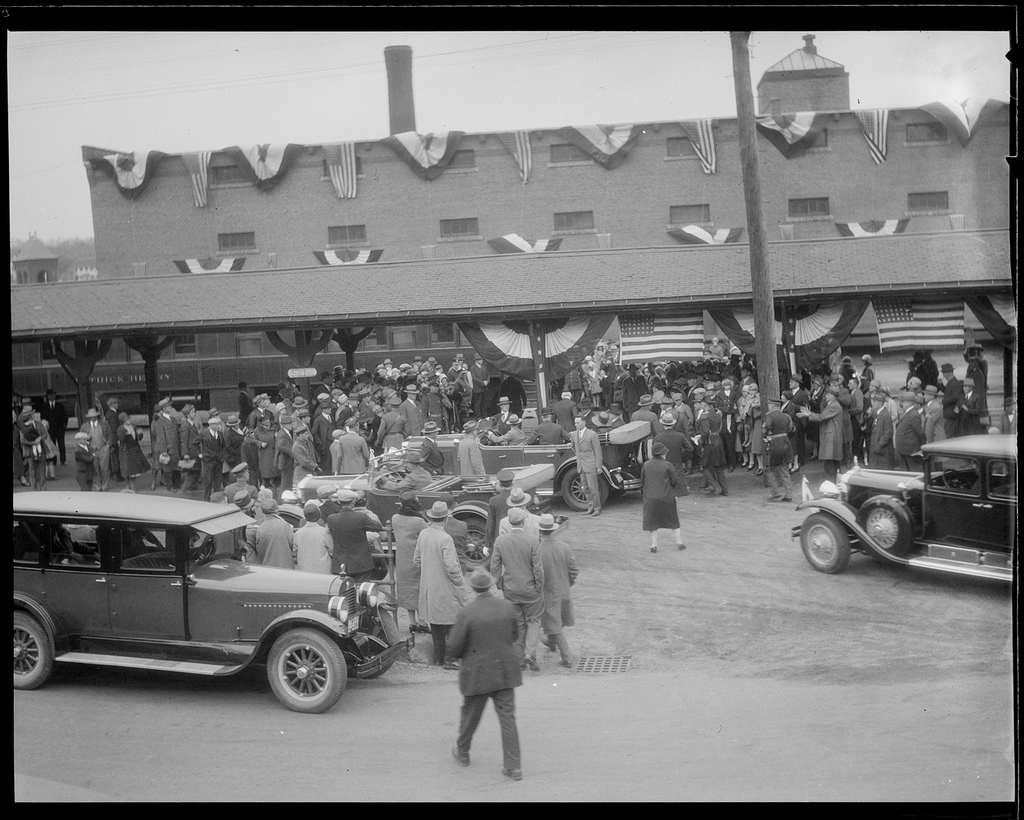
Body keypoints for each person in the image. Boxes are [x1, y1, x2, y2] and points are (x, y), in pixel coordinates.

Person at [446, 567, 524, 781]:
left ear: (472, 588)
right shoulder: (507, 607)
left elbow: (453, 646)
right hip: (505, 671)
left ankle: (462, 752)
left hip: (477, 672)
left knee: (471, 715)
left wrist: (456, 657)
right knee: (508, 718)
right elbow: (515, 634)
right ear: (491, 586)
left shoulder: (467, 612)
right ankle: (513, 766)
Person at [490, 506, 544, 672]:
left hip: (510, 589)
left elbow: (494, 567)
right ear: (523, 521)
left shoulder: (500, 541)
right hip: (531, 589)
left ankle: (519, 658)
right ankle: (530, 654)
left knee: (518, 623)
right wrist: (539, 586)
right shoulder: (532, 541)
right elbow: (538, 568)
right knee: (534, 621)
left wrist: (499, 583)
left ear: (510, 522)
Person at [412, 500, 466, 666]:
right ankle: (450, 659)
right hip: (445, 587)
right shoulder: (445, 538)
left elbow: (416, 560)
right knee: (451, 624)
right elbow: (451, 567)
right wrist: (460, 582)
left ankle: (437, 658)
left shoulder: (424, 534)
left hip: (429, 586)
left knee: (435, 625)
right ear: (446, 519)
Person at [534, 513, 579, 669]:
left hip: (548, 593)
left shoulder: (538, 550)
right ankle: (551, 644)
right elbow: (574, 570)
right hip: (564, 590)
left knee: (555, 625)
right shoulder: (564, 547)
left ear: (540, 531)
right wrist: (568, 583)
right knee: (556, 621)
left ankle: (566, 658)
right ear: (553, 530)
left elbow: (537, 575)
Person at [327, 488, 383, 582]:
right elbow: (378, 527)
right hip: (361, 562)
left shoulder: (331, 519)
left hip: (340, 562)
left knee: (344, 591)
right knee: (362, 590)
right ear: (353, 502)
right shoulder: (361, 517)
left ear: (339, 502)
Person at [392, 490, 429, 631]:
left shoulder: (395, 518)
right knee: (420, 589)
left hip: (401, 559)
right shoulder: (419, 521)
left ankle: (412, 623)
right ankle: (423, 622)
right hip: (417, 559)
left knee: (406, 589)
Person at [640, 440, 685, 553]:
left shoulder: (646, 465)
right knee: (673, 521)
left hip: (650, 499)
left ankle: (654, 545)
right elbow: (675, 480)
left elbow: (642, 481)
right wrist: (670, 489)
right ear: (662, 453)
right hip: (666, 497)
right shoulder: (668, 464)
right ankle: (679, 542)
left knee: (652, 523)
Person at [799, 383, 844, 482]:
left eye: (827, 394)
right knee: (833, 463)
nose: (825, 396)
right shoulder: (832, 404)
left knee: (829, 464)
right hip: (831, 437)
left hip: (831, 438)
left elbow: (821, 417)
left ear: (833, 395)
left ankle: (832, 485)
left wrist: (808, 414)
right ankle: (836, 484)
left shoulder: (834, 405)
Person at [694, 396, 729, 496]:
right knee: (718, 467)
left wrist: (699, 440)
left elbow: (705, 432)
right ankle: (724, 490)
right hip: (718, 441)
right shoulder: (717, 415)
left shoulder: (705, 416)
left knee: (704, 466)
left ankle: (715, 487)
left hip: (709, 443)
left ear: (704, 405)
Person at [763, 396, 794, 502]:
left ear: (771, 406)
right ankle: (788, 495)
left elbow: (767, 426)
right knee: (784, 469)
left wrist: (765, 435)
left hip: (775, 444)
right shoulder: (786, 416)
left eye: (769, 405)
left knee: (769, 469)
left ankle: (775, 493)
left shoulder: (770, 415)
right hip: (786, 442)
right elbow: (791, 428)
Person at [571, 415, 603, 516]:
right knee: (585, 488)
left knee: (593, 488)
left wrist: (598, 466)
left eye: (578, 423)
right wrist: (579, 456)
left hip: (590, 464)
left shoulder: (592, 434)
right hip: (581, 465)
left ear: (584, 423)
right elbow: (573, 447)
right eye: (575, 423)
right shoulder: (573, 434)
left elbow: (598, 451)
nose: (576, 425)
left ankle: (597, 508)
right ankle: (590, 506)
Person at [653, 411, 692, 492]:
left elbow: (654, 452)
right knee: (678, 491)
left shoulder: (658, 437)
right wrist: (681, 456)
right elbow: (690, 448)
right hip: (677, 465)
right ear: (673, 424)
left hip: (662, 466)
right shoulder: (680, 436)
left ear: (662, 424)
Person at [253, 498, 295, 568]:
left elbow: (258, 549)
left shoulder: (260, 529)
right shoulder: (284, 525)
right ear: (276, 509)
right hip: (286, 568)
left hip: (268, 569)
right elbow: (292, 544)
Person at [294, 501, 334, 574]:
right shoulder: (324, 532)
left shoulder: (298, 534)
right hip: (323, 570)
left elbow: (295, 552)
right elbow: (331, 551)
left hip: (304, 570)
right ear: (319, 515)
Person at [150, 398, 181, 491]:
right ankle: (169, 487)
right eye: (168, 406)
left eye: (170, 406)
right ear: (163, 409)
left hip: (175, 448)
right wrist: (163, 451)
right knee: (168, 469)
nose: (170, 407)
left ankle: (177, 485)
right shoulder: (160, 422)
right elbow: (160, 438)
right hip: (168, 449)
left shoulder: (173, 419)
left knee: (176, 467)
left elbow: (177, 434)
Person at [116, 412, 150, 493]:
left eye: (128, 419)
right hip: (126, 451)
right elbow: (121, 439)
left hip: (134, 449)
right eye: (126, 419)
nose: (128, 420)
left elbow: (138, 438)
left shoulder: (133, 426)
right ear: (123, 421)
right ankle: (127, 485)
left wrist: (140, 434)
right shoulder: (120, 429)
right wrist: (125, 434)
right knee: (127, 469)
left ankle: (133, 485)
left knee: (134, 470)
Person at [80, 406, 111, 492]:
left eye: (94, 416)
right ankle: (98, 486)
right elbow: (81, 438)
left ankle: (105, 486)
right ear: (89, 417)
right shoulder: (84, 426)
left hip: (103, 449)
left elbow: (110, 435)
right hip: (91, 450)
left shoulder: (104, 424)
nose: (93, 417)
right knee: (94, 469)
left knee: (105, 469)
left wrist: (108, 445)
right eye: (91, 416)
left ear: (97, 416)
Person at [894, 390, 926, 471]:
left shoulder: (913, 415)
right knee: (905, 470)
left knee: (913, 470)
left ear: (909, 403)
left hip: (910, 450)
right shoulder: (908, 413)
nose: (902, 404)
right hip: (905, 449)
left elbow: (920, 433)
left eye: (903, 402)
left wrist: (922, 447)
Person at [199, 415, 227, 501]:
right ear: (211, 425)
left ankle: (216, 498)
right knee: (208, 480)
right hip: (208, 460)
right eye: (217, 424)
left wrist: (222, 455)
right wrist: (199, 454)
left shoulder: (220, 434)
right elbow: (194, 443)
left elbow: (223, 446)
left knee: (218, 480)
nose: (219, 426)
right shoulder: (204, 434)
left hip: (218, 460)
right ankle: (206, 498)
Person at [39, 389, 69, 467]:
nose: (52, 396)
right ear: (47, 397)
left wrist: (64, 426)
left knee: (61, 444)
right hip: (50, 429)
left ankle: (63, 460)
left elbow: (65, 416)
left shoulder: (60, 406)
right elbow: (42, 418)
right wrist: (45, 427)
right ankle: (54, 460)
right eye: (50, 395)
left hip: (59, 428)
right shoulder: (44, 406)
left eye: (53, 395)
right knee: (52, 445)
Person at [867, 392, 895, 470]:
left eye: (874, 401)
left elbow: (888, 433)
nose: (873, 403)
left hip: (882, 451)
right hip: (876, 449)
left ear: (879, 403)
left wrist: (879, 445)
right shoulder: (877, 413)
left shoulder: (885, 415)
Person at [939, 363, 964, 439]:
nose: (943, 375)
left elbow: (955, 397)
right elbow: (950, 393)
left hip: (951, 413)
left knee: (948, 434)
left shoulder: (954, 383)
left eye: (944, 373)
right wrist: (941, 386)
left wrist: (943, 401)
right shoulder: (951, 382)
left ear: (949, 373)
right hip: (950, 413)